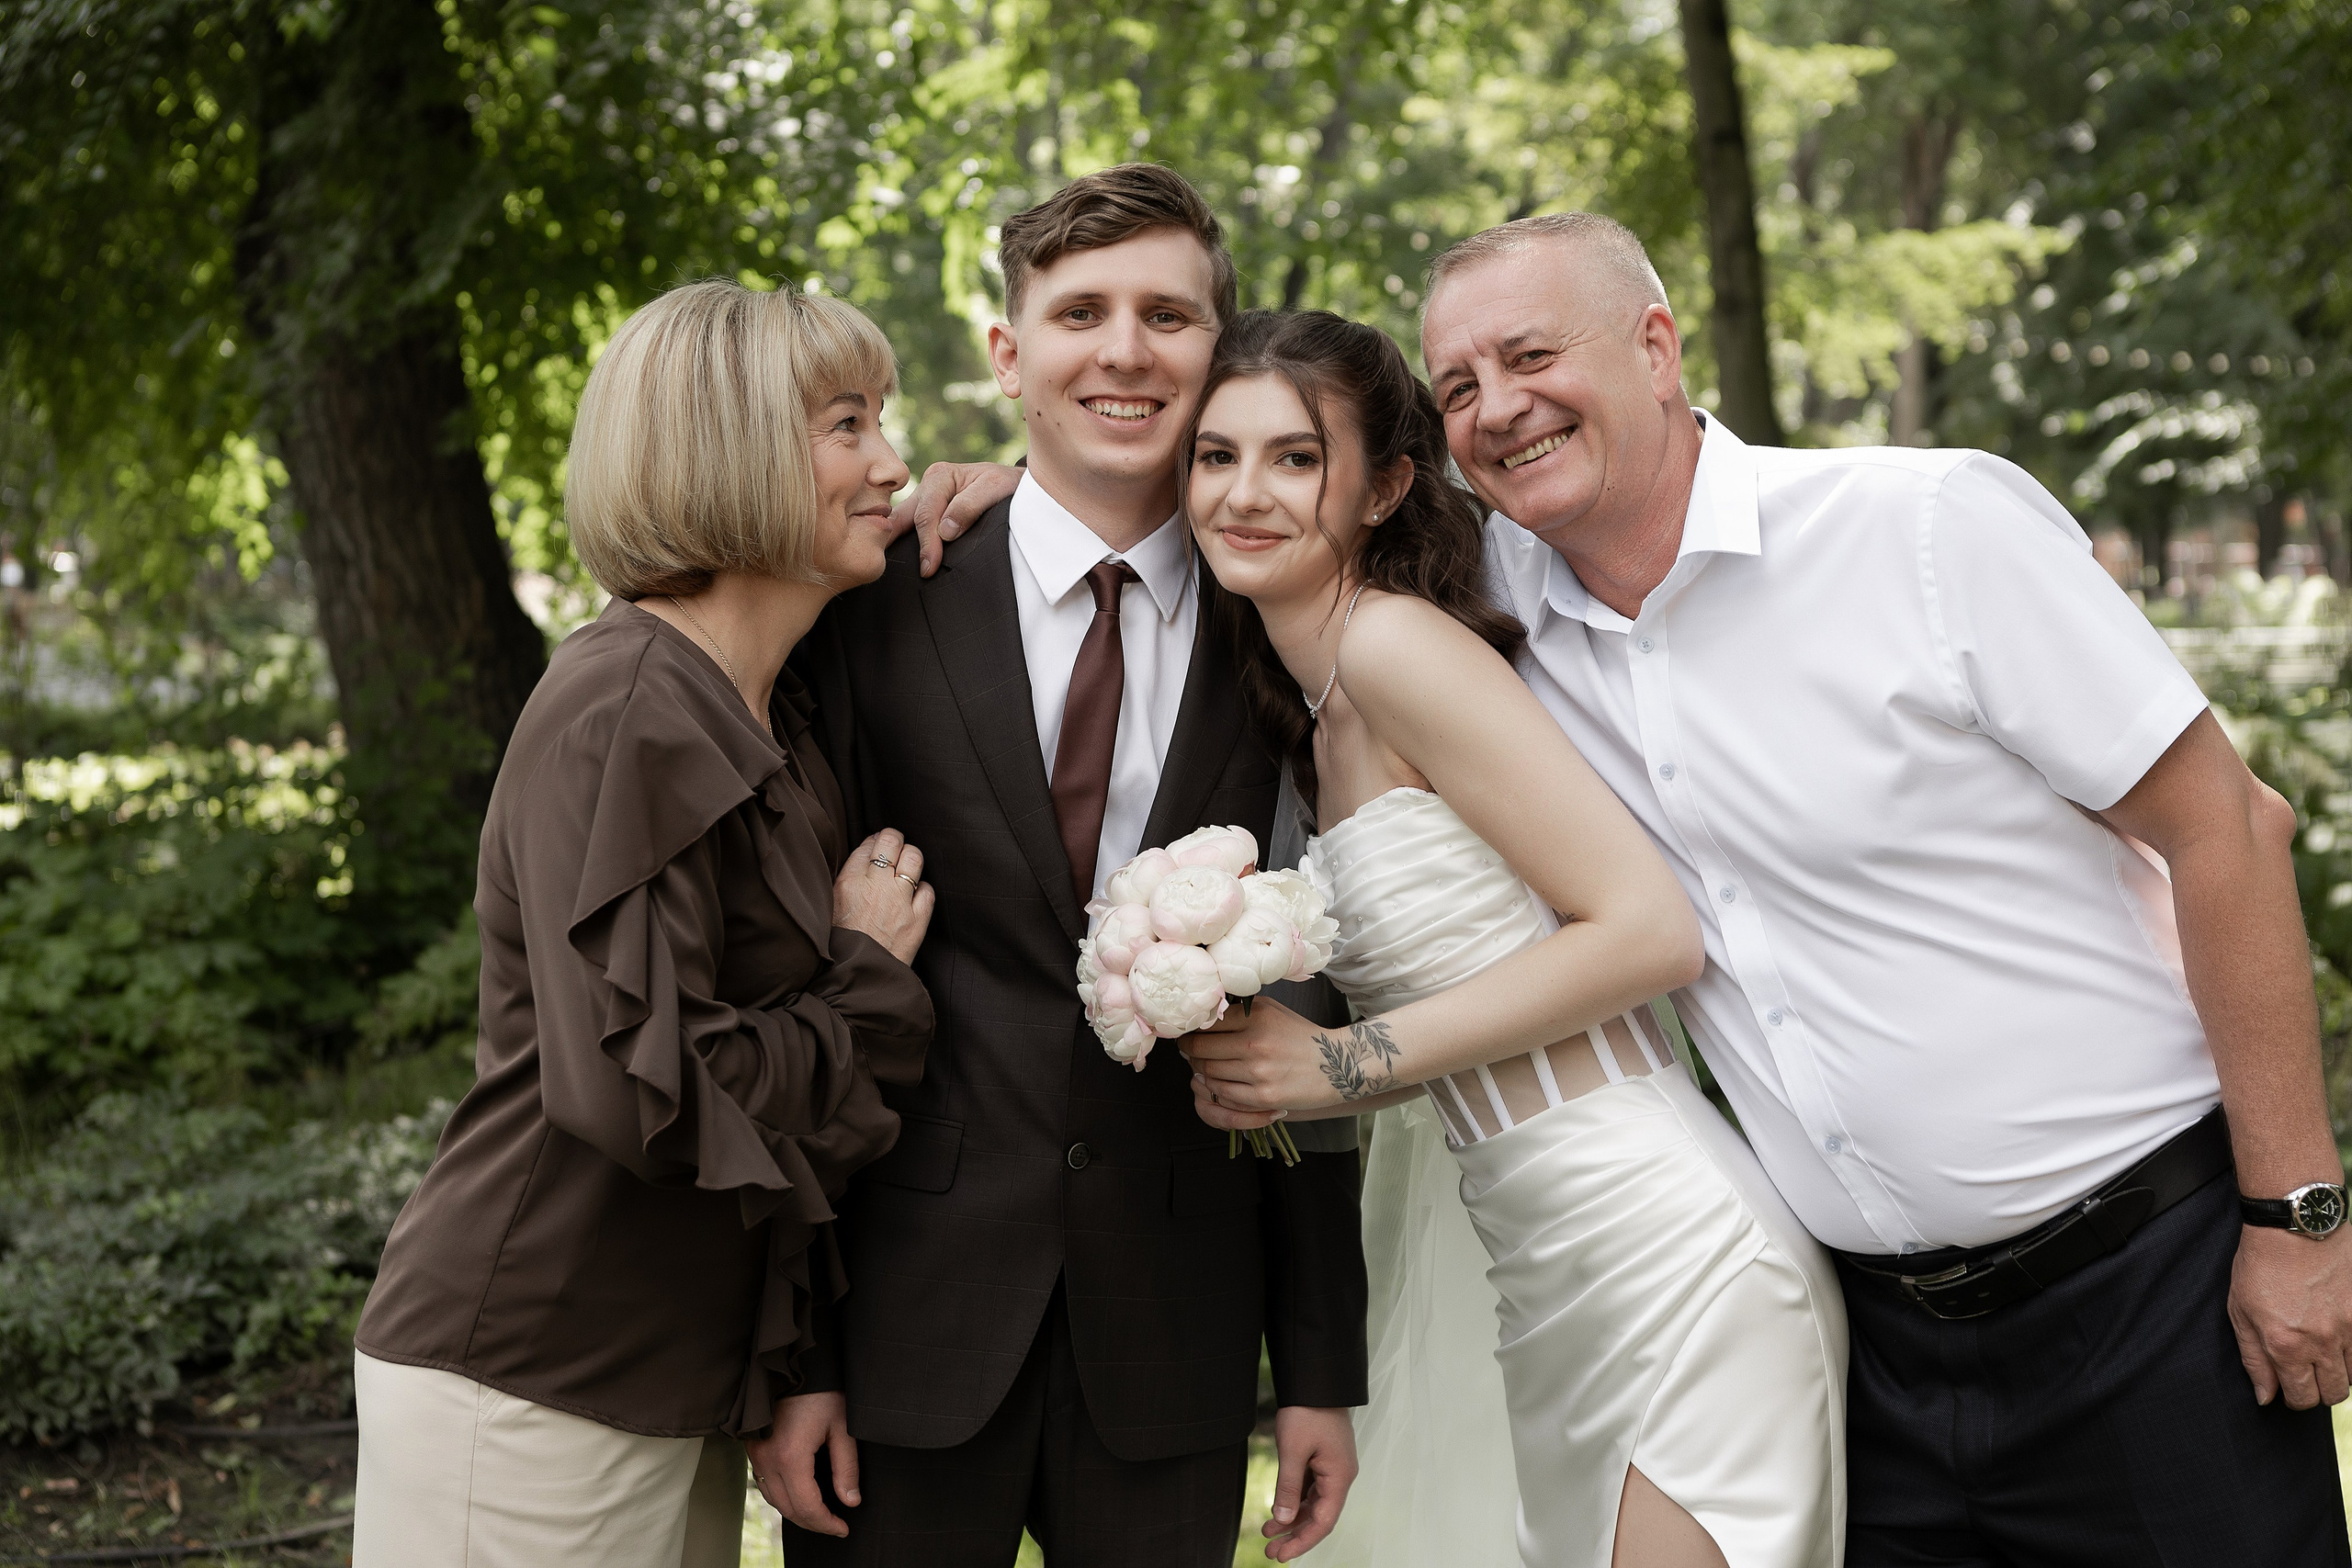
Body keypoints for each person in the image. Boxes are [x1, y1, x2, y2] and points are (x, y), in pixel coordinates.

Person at [1285, 209, 2345, 1565]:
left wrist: (2298, 1215)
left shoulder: (1924, 528)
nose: (1498, 409)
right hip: (1873, 1354)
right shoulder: (1490, 628)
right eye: (1459, 387)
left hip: (2149, 1290)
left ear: (1656, 347)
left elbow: (2231, 831)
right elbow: (1277, 528)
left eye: (1533, 356)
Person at [1175, 308, 1848, 1568]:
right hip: (1544, 1274)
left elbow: (1649, 932)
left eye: (1295, 458)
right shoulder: (1319, 701)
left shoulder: (1396, 648)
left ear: (1384, 489)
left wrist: (1344, 1064)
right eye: (1217, 456)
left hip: (1669, 1261)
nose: (1244, 493)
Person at [776, 164, 1369, 1568]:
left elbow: (1306, 981)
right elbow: (793, 975)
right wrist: (793, 1352)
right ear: (1007, 353)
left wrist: (1319, 1364)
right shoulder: (872, 602)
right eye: (1080, 313)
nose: (1125, 351)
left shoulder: (1284, 620)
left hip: (1176, 1327)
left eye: (1169, 315)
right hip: (901, 1320)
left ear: (1219, 353)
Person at [353, 278, 936, 1568]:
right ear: (731, 451)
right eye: (848, 426)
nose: (891, 463)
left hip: (668, 1376)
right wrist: (861, 981)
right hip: (532, 1379)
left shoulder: (757, 708)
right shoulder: (628, 708)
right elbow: (645, 1088)